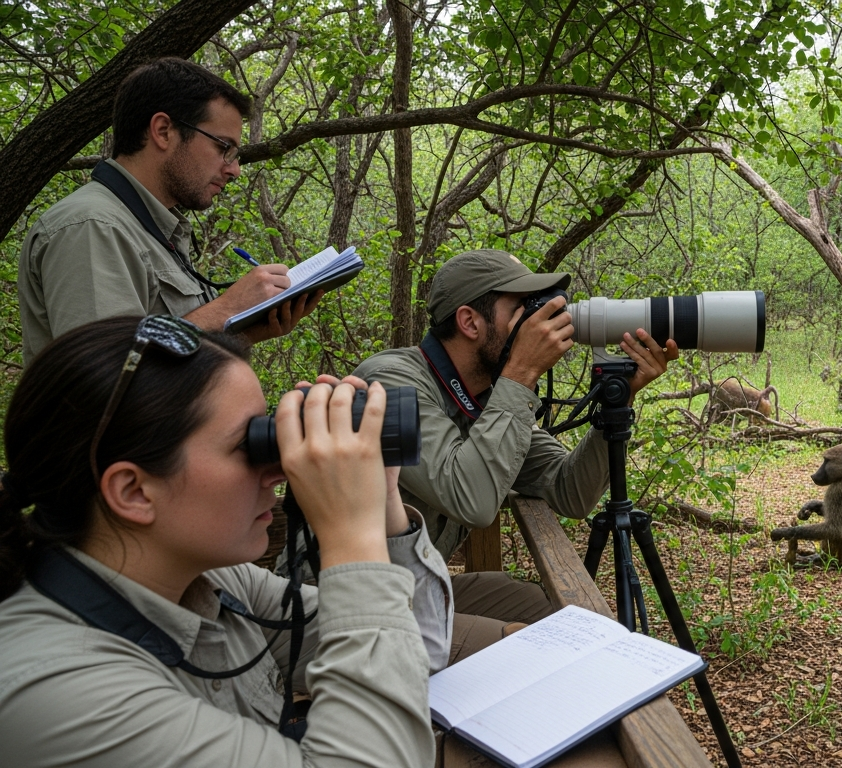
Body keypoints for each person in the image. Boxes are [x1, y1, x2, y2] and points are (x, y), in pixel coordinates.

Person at [0, 315, 451, 766]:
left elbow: (421, 652)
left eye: (268, 434)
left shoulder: (215, 583)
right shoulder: (62, 691)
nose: (280, 468)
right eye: (248, 445)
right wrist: (351, 536)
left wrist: (381, 497)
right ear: (134, 492)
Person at [353, 249, 678, 657]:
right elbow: (469, 499)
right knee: (536, 649)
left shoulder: (488, 397)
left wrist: (620, 401)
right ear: (470, 321)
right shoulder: (393, 382)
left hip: (414, 588)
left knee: (568, 618)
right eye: (522, 308)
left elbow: (571, 491)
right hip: (343, 606)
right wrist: (520, 374)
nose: (538, 320)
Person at [18, 57, 321, 364]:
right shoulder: (91, 226)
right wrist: (227, 309)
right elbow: (104, 380)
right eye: (222, 147)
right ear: (163, 131)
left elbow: (165, 363)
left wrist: (244, 329)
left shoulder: (154, 229)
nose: (234, 170)